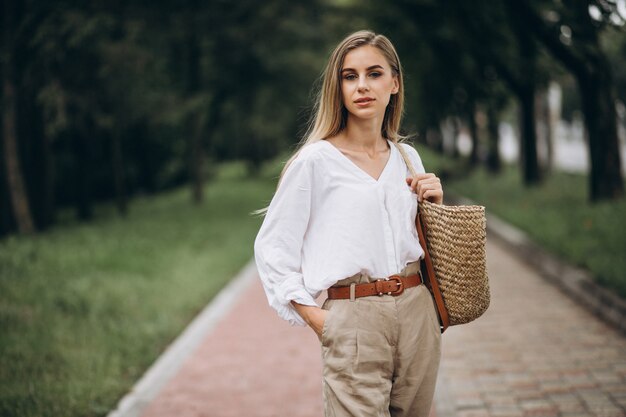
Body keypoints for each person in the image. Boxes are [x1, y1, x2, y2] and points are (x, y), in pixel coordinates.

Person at [253, 30, 444, 417]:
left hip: (417, 310)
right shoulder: (315, 162)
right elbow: (273, 248)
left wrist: (435, 206)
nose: (362, 86)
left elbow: (427, 246)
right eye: (349, 76)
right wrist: (317, 318)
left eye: (374, 74)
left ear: (394, 83)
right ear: (337, 87)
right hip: (354, 316)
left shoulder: (408, 158)